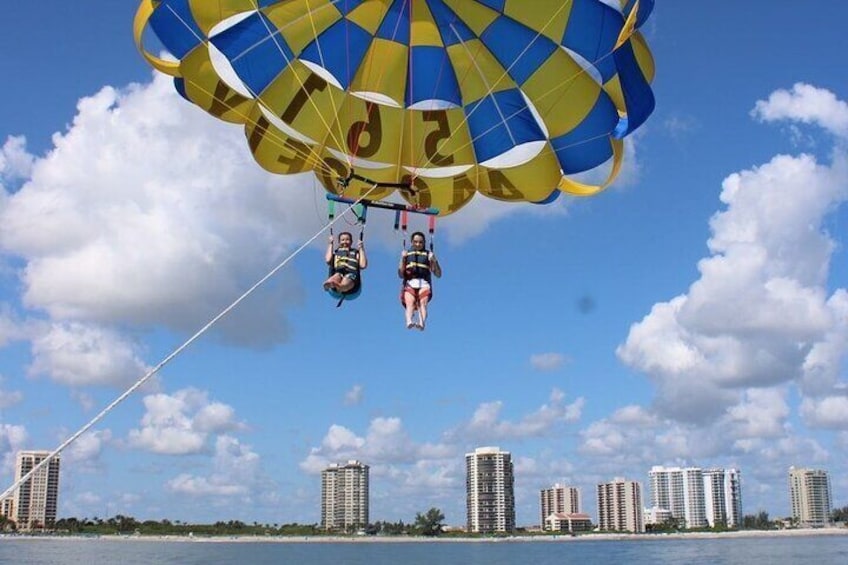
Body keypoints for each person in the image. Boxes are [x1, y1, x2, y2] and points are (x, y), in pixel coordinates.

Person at [398, 231, 441, 330]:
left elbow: (438, 274)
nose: (418, 244)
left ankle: (422, 322)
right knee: (410, 302)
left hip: (424, 284)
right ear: (411, 242)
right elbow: (400, 274)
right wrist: (402, 258)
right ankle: (409, 321)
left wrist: (434, 260)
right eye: (415, 242)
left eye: (420, 242)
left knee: (423, 303)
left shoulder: (428, 255)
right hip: (410, 283)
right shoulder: (407, 254)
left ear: (424, 242)